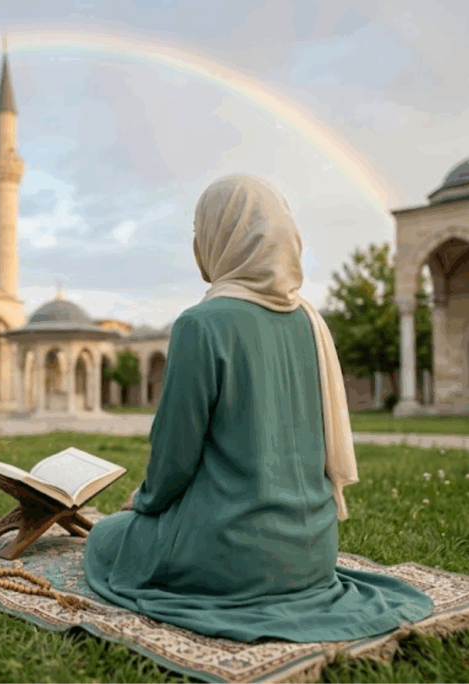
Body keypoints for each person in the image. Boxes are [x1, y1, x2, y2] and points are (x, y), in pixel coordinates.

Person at [83, 174, 433, 643]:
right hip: (312, 554)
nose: (195, 243)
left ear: (219, 237)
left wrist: (141, 506)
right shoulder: (312, 322)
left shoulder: (199, 325)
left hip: (229, 550)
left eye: (199, 229)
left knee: (106, 540)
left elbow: (173, 461)